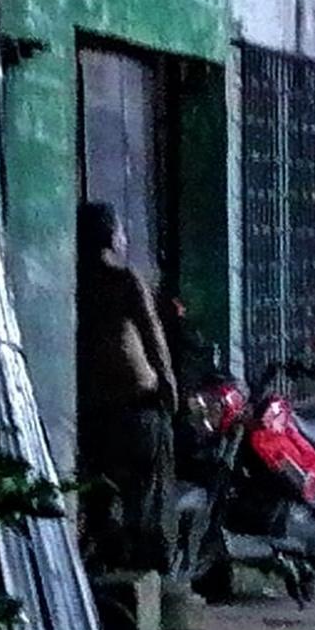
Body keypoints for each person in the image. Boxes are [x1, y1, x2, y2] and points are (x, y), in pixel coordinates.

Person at [76, 200, 180, 573]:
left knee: (103, 490)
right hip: (136, 400)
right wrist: (168, 382)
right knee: (147, 488)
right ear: (111, 235)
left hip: (92, 406)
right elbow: (152, 334)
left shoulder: (75, 283)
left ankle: (109, 556)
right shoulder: (123, 280)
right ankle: (149, 559)